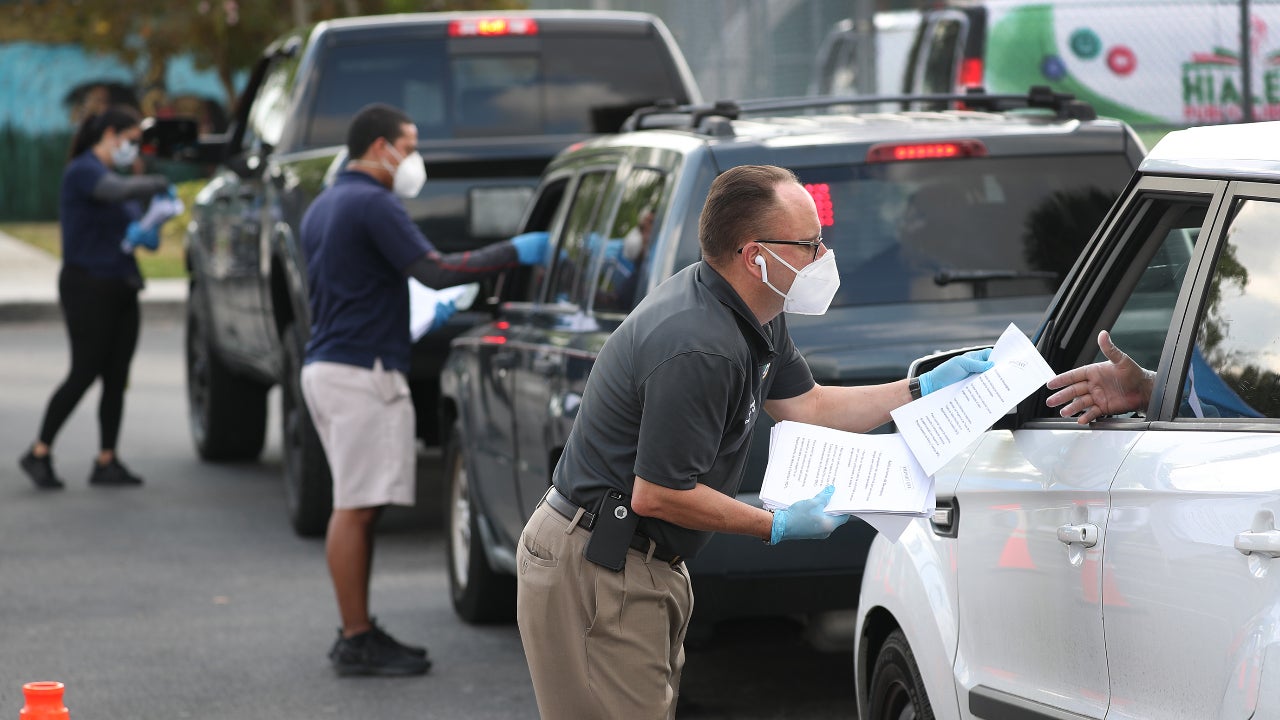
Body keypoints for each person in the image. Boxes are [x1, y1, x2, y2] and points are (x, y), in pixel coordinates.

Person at [515, 164, 993, 718]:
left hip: (639, 561)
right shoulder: (700, 345)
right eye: (809, 244)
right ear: (754, 256)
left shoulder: (754, 310)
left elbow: (808, 405)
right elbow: (659, 494)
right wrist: (777, 524)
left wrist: (919, 388)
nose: (823, 258)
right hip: (598, 563)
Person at [298, 103, 549, 677]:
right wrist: (515, 251)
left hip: (332, 363)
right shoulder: (373, 200)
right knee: (356, 508)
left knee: (358, 504)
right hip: (361, 371)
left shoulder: (326, 204)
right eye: (408, 147)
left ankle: (357, 630)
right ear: (380, 147)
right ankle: (356, 636)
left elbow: (357, 284)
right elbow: (434, 269)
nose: (414, 160)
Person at [19, 104, 172, 491]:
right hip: (87, 286)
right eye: (133, 141)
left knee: (117, 377)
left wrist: (152, 227)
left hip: (122, 285)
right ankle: (39, 451)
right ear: (111, 135)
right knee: (84, 371)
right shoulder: (84, 171)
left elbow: (142, 232)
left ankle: (107, 459)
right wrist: (154, 184)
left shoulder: (120, 177)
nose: (136, 149)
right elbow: (113, 191)